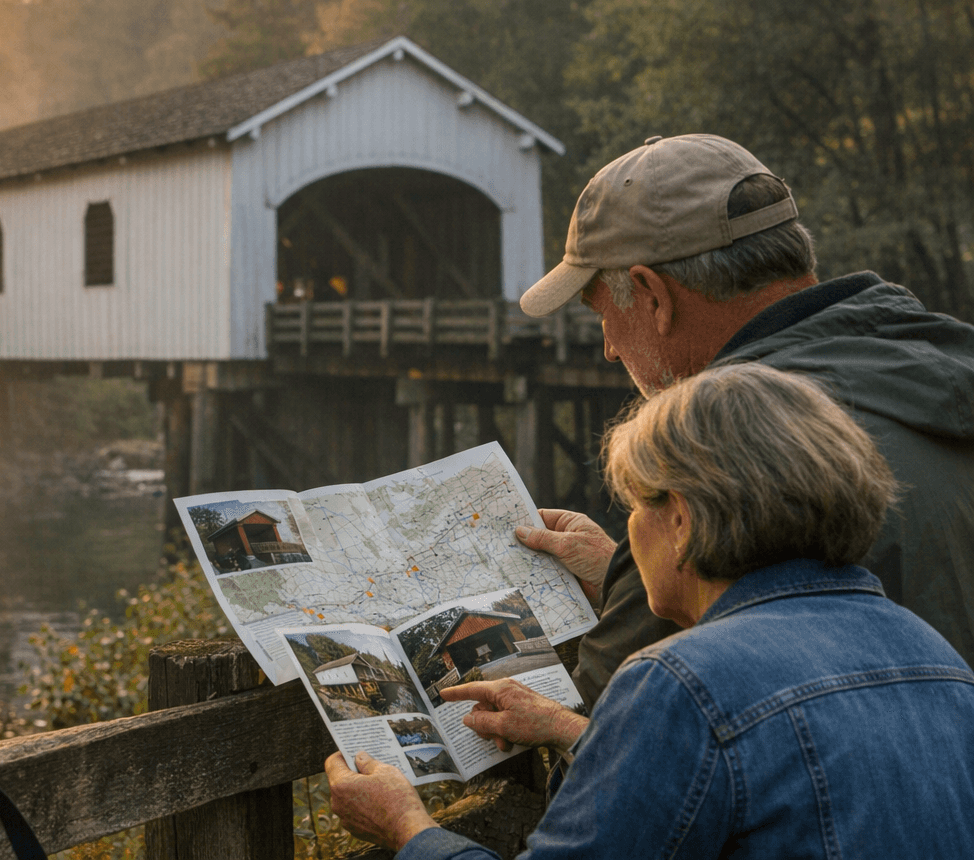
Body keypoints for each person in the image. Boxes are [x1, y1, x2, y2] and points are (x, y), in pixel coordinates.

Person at [327, 364, 974, 858]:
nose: (630, 530)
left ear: (682, 522)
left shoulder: (680, 683)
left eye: (636, 505)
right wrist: (571, 731)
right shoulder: (934, 654)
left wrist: (409, 828)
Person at [512, 133, 974, 709]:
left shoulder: (712, 464)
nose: (608, 348)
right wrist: (631, 582)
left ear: (654, 296)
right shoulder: (942, 370)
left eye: (603, 313)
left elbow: (603, 737)